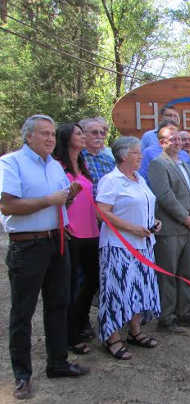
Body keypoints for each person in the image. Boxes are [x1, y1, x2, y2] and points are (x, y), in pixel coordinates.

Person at [0, 115, 89, 400]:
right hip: (28, 246)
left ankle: (58, 363)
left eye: (52, 134)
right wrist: (49, 201)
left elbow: (60, 200)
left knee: (58, 304)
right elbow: (7, 205)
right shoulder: (11, 163)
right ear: (28, 136)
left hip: (57, 241)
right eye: (44, 134)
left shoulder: (54, 166)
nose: (51, 138)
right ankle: (22, 376)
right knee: (22, 313)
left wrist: (69, 196)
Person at [96, 136, 161, 359]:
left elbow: (145, 206)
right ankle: (112, 338)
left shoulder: (138, 179)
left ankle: (135, 331)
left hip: (144, 245)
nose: (140, 155)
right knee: (117, 291)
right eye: (135, 152)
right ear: (123, 155)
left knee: (140, 289)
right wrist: (132, 228)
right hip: (119, 246)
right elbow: (102, 211)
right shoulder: (111, 180)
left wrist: (153, 223)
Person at [149, 124, 190, 334]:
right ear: (162, 143)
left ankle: (186, 312)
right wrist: (186, 218)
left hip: (189, 229)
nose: (177, 142)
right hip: (171, 230)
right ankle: (167, 318)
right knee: (168, 275)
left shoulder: (183, 163)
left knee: (185, 273)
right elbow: (165, 197)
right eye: (171, 139)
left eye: (179, 139)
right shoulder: (158, 164)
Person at [53, 123, 100, 355]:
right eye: (79, 133)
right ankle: (70, 336)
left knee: (92, 282)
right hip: (72, 234)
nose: (83, 137)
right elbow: (56, 200)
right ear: (66, 138)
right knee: (71, 286)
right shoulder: (57, 167)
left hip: (92, 232)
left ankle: (80, 324)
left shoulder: (83, 165)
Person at [80, 118, 115, 198]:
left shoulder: (109, 160)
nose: (99, 136)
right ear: (83, 135)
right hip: (86, 205)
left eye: (102, 133)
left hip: (107, 206)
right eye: (94, 133)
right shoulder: (77, 158)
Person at [138, 119, 178, 185]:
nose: (174, 134)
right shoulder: (149, 153)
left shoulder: (183, 154)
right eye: (170, 130)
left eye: (175, 131)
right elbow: (142, 176)